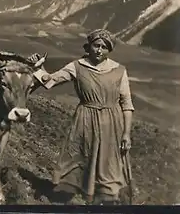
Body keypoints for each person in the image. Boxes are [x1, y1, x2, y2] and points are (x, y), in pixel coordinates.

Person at [28, 29, 134, 205]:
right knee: (80, 157)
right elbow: (50, 80)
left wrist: (126, 133)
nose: (99, 50)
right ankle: (73, 195)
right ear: (89, 47)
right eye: (96, 45)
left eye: (104, 47)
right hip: (85, 120)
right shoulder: (77, 66)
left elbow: (127, 103)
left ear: (109, 50)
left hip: (112, 124)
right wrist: (37, 68)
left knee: (108, 163)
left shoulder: (119, 70)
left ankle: (106, 198)